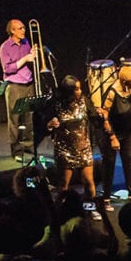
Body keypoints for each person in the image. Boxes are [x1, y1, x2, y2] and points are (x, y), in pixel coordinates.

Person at [45, 75, 98, 212]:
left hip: (83, 148)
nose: (80, 91)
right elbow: (45, 125)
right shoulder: (56, 105)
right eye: (77, 89)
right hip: (65, 150)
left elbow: (95, 118)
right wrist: (50, 124)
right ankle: (60, 212)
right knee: (64, 185)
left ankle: (90, 209)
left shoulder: (84, 101)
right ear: (69, 92)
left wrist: (101, 116)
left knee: (89, 182)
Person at [97, 65, 131, 206]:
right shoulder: (112, 93)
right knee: (109, 163)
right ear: (125, 82)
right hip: (112, 131)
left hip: (128, 131)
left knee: (129, 159)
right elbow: (105, 117)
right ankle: (106, 197)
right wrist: (112, 137)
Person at [0, 19, 37, 161]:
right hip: (14, 85)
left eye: (23, 28)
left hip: (28, 83)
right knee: (14, 119)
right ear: (12, 31)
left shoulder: (26, 42)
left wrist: (33, 55)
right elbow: (7, 69)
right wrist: (25, 59)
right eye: (20, 28)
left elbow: (30, 61)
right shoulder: (5, 47)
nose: (23, 30)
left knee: (29, 117)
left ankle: (28, 144)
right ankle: (16, 150)